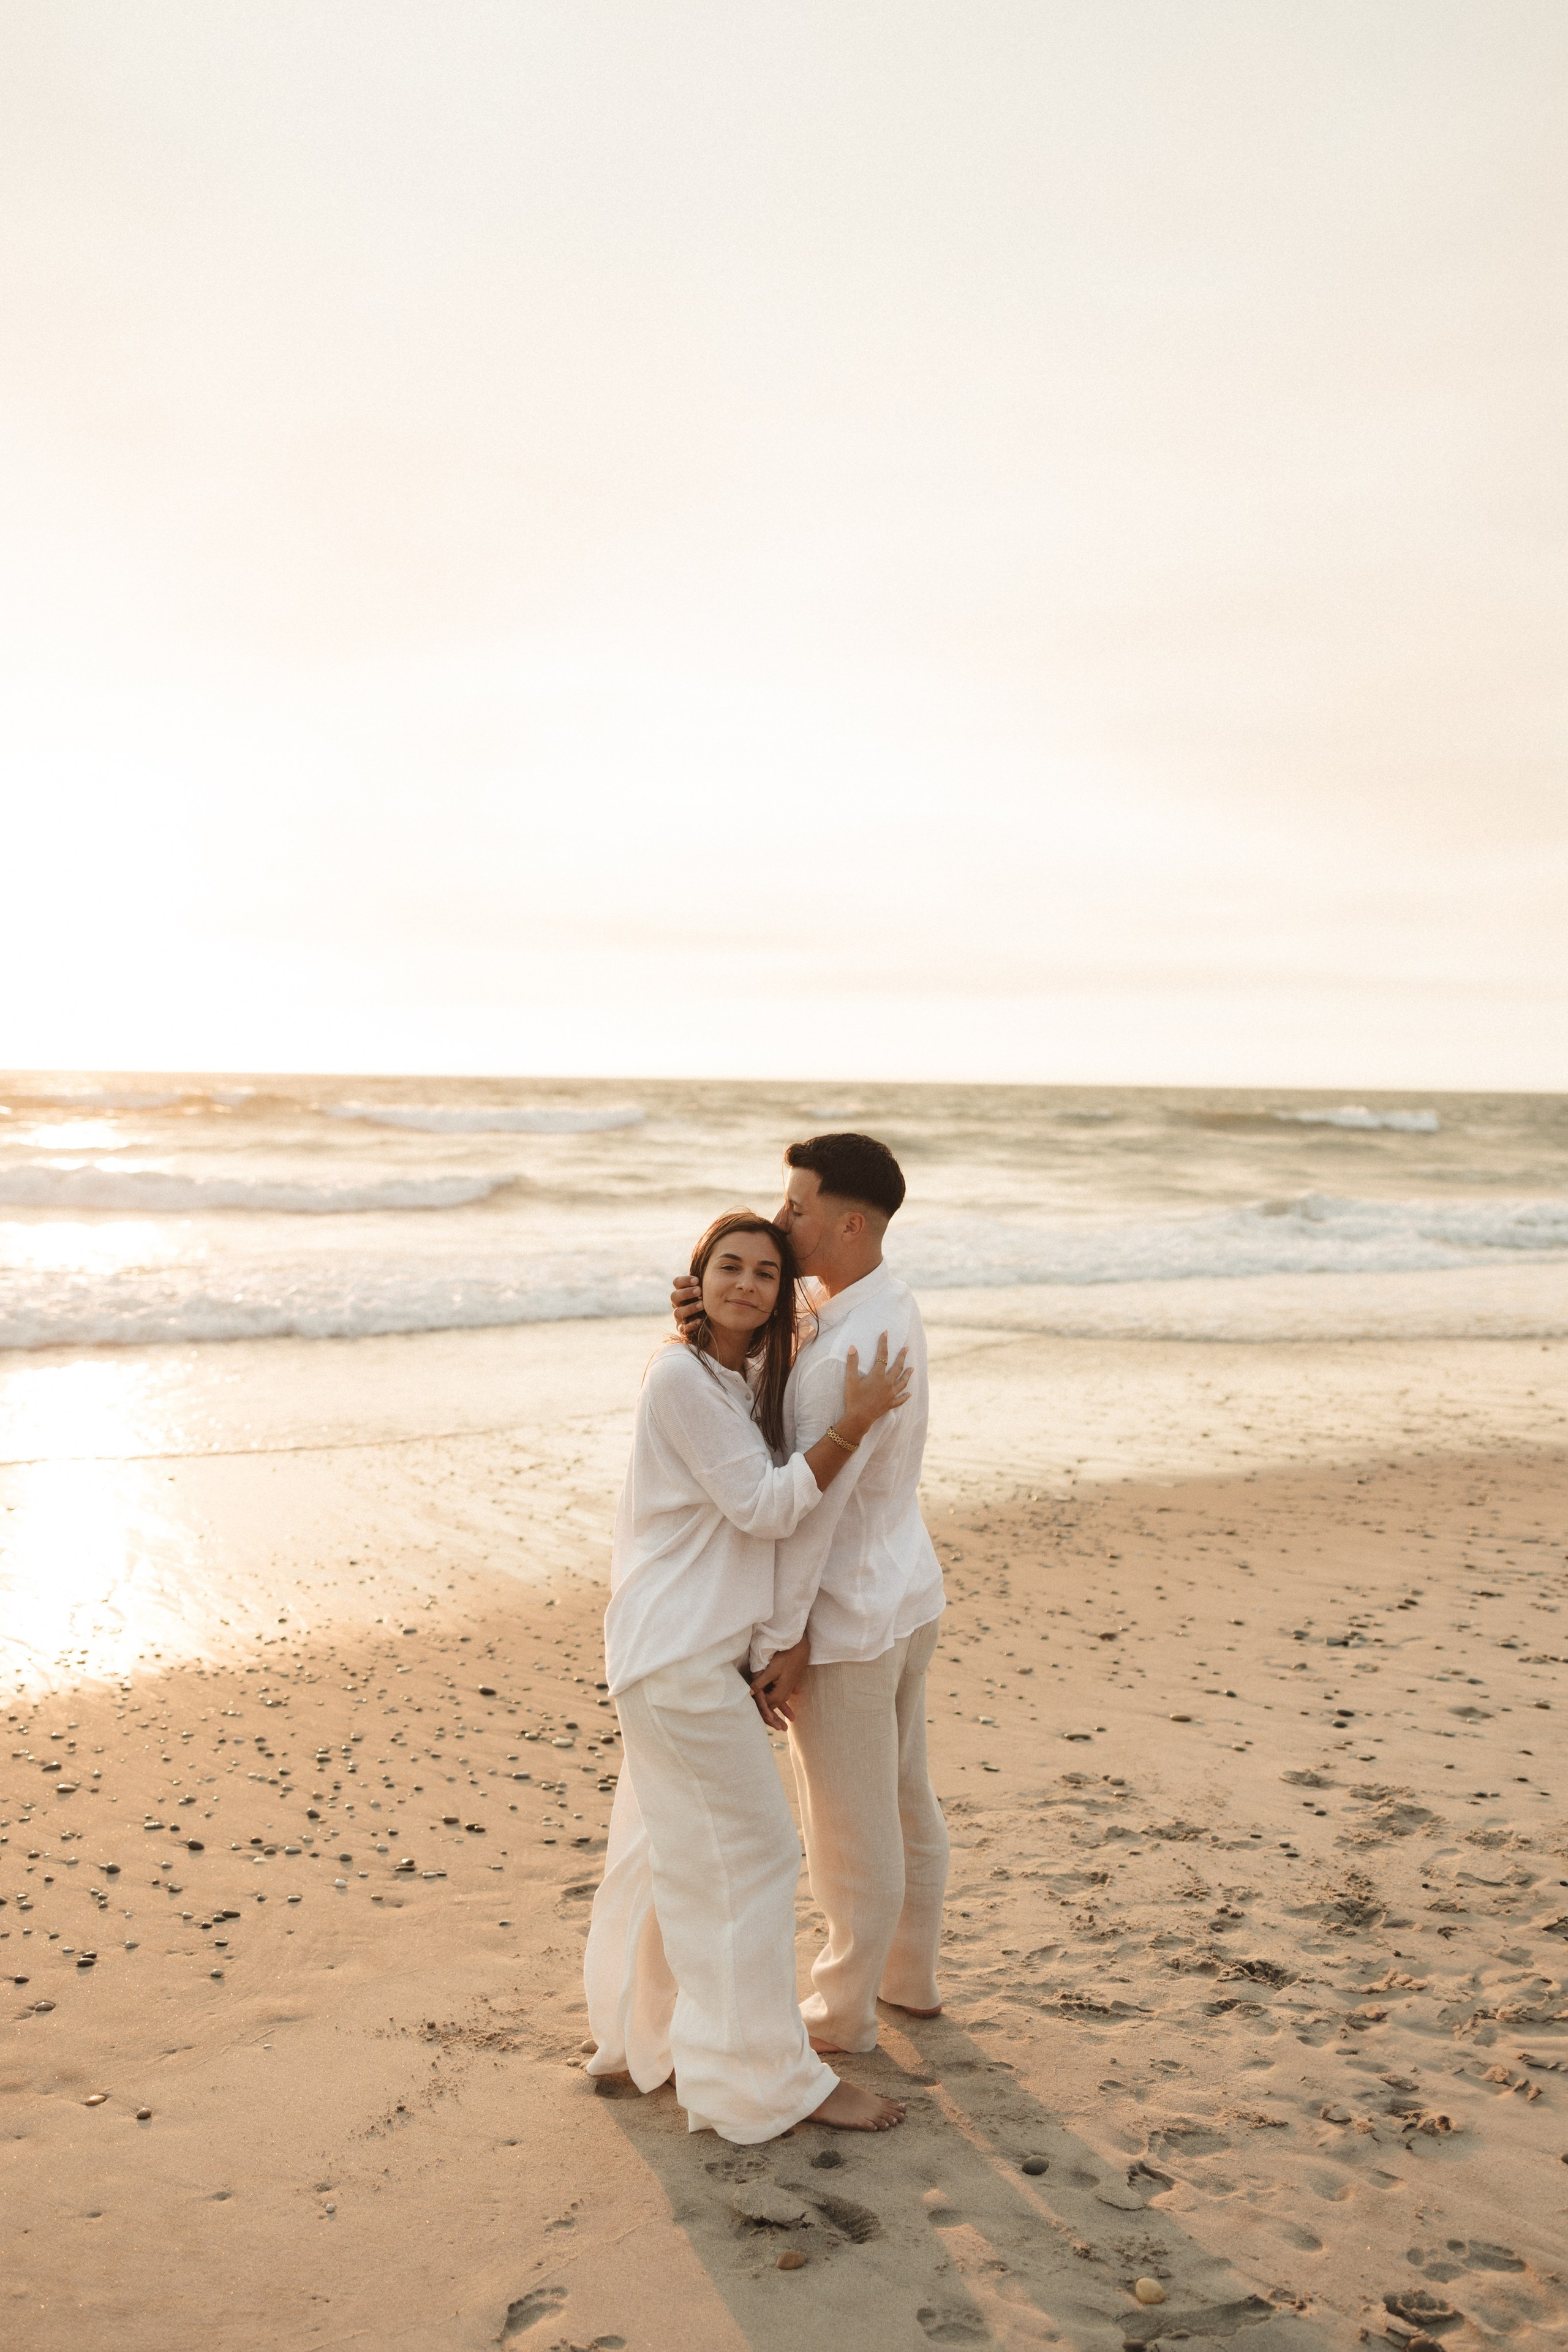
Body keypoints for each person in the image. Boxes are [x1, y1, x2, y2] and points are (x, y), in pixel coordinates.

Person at [583, 1208, 912, 2143]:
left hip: (691, 1654)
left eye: (766, 1274)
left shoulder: (731, 1373)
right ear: (697, 1276)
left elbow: (785, 1347)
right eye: (728, 1268)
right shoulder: (682, 1379)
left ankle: (652, 2041)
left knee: (676, 1862)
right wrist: (852, 1425)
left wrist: (734, 1311)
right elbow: (768, 1508)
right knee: (753, 1860)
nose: (748, 1285)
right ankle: (760, 2084)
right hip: (677, 1659)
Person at [674, 1133, 949, 2059]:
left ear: (850, 1221)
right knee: (906, 1799)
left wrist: (786, 1637)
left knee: (847, 1833)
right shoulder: (880, 1307)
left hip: (851, 1617)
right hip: (905, 1590)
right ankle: (911, 1977)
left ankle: (842, 2015)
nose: (784, 1220)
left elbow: (812, 1511)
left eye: (796, 1209)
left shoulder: (842, 1353)